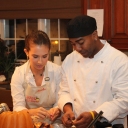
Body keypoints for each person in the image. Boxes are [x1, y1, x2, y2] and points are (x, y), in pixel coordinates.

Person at [58, 15, 128, 128]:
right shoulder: (69, 60)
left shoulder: (119, 61)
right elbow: (64, 91)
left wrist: (93, 115)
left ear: (94, 35)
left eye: (80, 42)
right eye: (73, 44)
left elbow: (124, 100)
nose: (77, 48)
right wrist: (67, 110)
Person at [11, 30, 61, 123]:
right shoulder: (19, 73)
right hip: (28, 122)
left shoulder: (56, 71)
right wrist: (31, 112)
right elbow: (18, 107)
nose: (40, 62)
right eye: (35, 56)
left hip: (53, 123)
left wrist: (57, 109)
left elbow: (60, 100)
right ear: (26, 52)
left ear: (49, 52)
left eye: (44, 56)